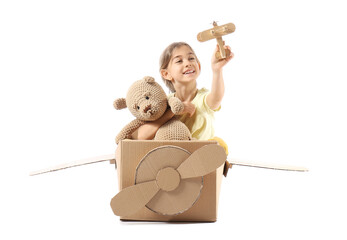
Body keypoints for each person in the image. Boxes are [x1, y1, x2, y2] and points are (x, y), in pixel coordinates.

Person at [136, 42, 233, 140]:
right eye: (179, 61)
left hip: (201, 153)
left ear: (198, 66)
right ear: (166, 74)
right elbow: (141, 136)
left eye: (191, 58)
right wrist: (176, 110)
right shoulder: (164, 103)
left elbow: (216, 98)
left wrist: (217, 70)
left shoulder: (202, 98)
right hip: (173, 152)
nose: (188, 63)